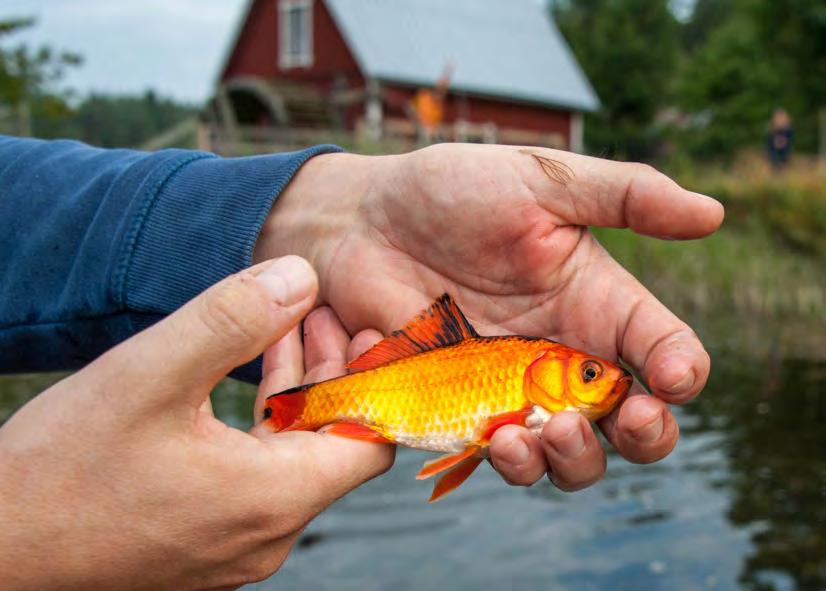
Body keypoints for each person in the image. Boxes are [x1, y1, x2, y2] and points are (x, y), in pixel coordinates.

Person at [0, 135, 724, 589]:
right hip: (384, 387)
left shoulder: (521, 380)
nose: (601, 378)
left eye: (593, 374)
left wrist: (330, 208)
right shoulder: (515, 381)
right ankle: (308, 409)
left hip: (385, 376)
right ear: (548, 374)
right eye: (590, 373)